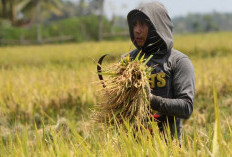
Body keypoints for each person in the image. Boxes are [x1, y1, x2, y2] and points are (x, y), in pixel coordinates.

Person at [126, 2, 195, 144]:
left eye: (142, 25)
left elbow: (186, 107)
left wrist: (151, 100)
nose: (137, 30)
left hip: (169, 146)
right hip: (133, 147)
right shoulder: (128, 61)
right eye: (134, 25)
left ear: (156, 26)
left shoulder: (178, 62)